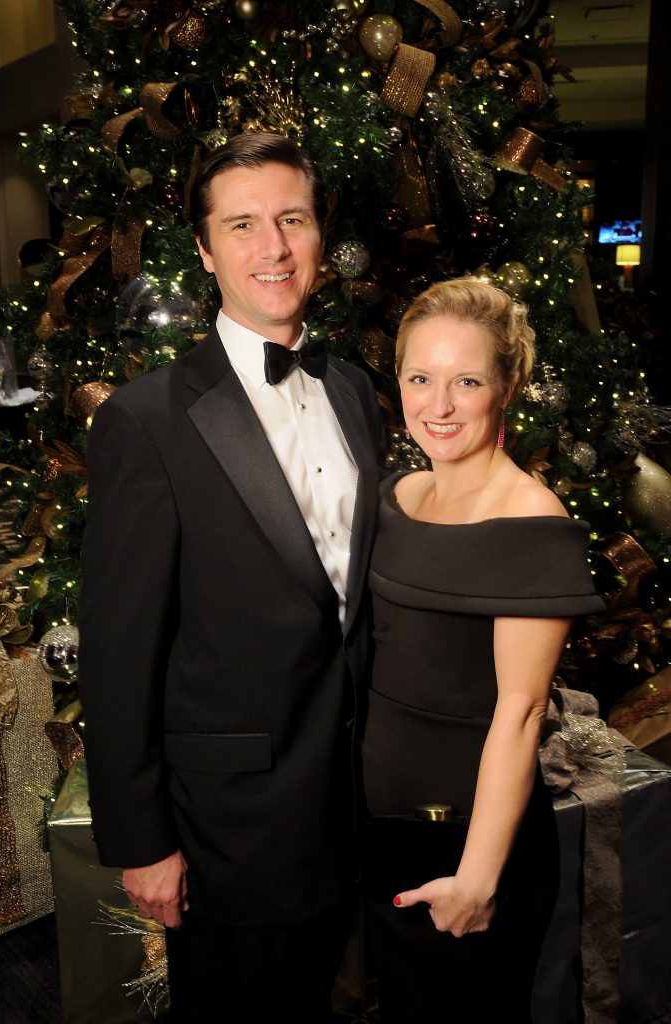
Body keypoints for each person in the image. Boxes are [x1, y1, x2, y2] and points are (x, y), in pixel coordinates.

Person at [78, 132, 385, 1023]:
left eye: (293, 219)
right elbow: (119, 652)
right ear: (207, 250)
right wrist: (142, 843)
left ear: (320, 236)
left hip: (357, 803)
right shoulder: (145, 421)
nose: (273, 247)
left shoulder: (355, 391)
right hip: (231, 825)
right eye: (242, 225)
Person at [359, 276, 604, 1024]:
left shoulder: (531, 523)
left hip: (468, 850)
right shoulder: (399, 495)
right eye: (419, 378)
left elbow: (521, 712)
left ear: (507, 387)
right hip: (379, 835)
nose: (437, 405)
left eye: (466, 381)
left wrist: (476, 879)